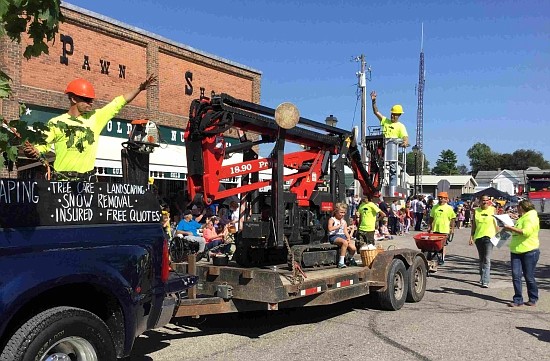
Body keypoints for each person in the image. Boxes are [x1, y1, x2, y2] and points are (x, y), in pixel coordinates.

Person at [24, 74, 158, 181]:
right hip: (63, 182)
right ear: (74, 99)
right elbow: (41, 146)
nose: (91, 103)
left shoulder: (96, 118)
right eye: (87, 100)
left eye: (91, 100)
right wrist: (33, 151)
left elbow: (118, 103)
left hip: (88, 183)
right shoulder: (56, 122)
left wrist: (140, 89)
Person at [503, 200, 540, 307]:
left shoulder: (531, 217)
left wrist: (510, 228)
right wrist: (512, 223)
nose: (516, 209)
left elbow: (526, 232)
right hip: (516, 250)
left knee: (529, 276)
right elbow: (518, 228)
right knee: (516, 275)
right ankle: (518, 299)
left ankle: (533, 298)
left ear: (522, 207)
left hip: (529, 250)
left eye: (518, 207)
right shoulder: (523, 217)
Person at [370, 90, 409, 187]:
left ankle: (392, 187)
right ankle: (377, 184)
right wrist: (374, 101)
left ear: (399, 115)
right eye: (392, 113)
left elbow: (405, 138)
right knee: (377, 166)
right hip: (382, 149)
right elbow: (376, 112)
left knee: (393, 169)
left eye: (395, 114)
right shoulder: (385, 121)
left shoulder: (401, 126)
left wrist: (404, 142)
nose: (392, 115)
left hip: (392, 151)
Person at [469, 195, 498, 288]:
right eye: (483, 200)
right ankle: (482, 276)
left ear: (489, 201)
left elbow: (496, 223)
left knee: (487, 259)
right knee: (481, 259)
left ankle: (485, 280)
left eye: (486, 200)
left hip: (490, 237)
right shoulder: (476, 211)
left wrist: (499, 236)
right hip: (479, 237)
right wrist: (471, 237)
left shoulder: (493, 210)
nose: (485, 202)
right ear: (480, 201)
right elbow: (474, 225)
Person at [428, 191, 456, 265]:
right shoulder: (435, 207)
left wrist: (452, 229)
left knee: (443, 245)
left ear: (446, 199)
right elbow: (431, 217)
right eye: (440, 197)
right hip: (435, 229)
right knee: (434, 244)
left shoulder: (449, 208)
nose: (441, 199)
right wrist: (429, 226)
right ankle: (434, 256)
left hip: (445, 229)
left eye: (443, 198)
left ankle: (442, 258)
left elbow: (453, 218)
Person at [327, 204, 357, 268]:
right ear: (336, 212)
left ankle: (350, 258)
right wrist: (338, 226)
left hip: (342, 236)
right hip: (334, 236)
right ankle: (341, 262)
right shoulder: (332, 219)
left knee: (353, 248)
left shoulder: (344, 221)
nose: (342, 214)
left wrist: (348, 237)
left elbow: (345, 231)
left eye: (344, 213)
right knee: (344, 242)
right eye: (341, 212)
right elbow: (330, 229)